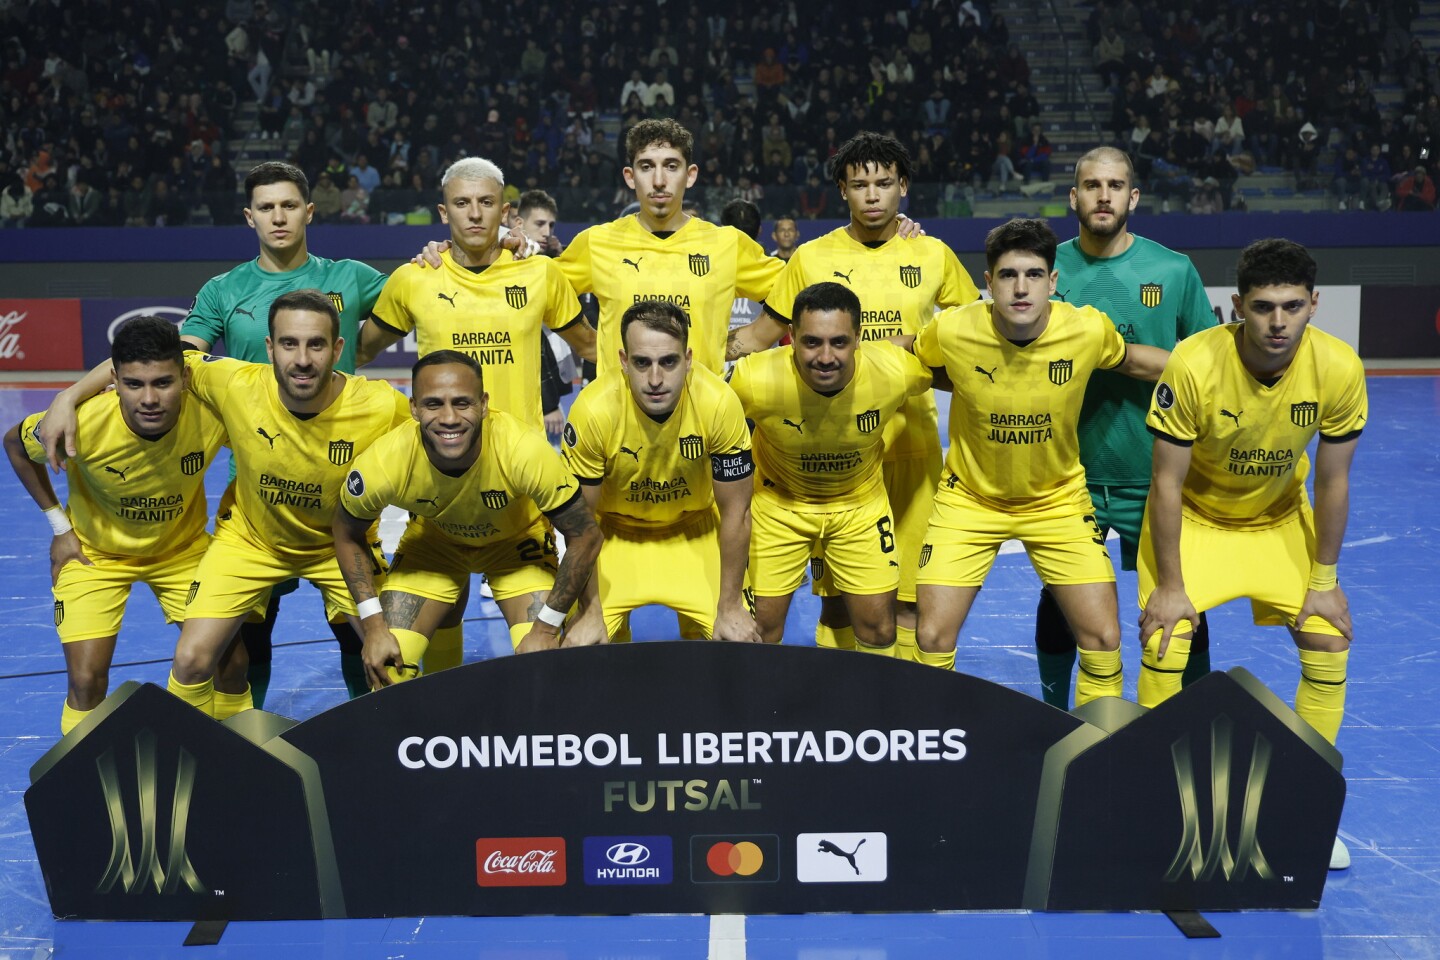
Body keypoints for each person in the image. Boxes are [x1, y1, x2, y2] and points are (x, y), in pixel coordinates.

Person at [38, 160, 390, 707]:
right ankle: (246, 737)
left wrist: (439, 256)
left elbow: (424, 302)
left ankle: (368, 727)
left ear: (309, 211)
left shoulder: (353, 276)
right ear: (249, 217)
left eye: (289, 205)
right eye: (267, 207)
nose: (279, 217)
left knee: (357, 631)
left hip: (341, 476)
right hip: (255, 483)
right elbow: (166, 358)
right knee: (248, 635)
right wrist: (69, 395)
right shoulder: (224, 290)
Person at [1138, 238, 1366, 870]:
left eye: (1292, 306)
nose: (1277, 322)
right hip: (1196, 520)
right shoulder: (1192, 362)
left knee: (1326, 634)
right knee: (1167, 635)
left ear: (1315, 304)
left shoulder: (1339, 368)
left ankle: (1305, 806)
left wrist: (1324, 579)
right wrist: (1170, 585)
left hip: (1276, 519)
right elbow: (1166, 483)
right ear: (1236, 305)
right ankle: (1154, 801)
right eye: (1262, 307)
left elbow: (1332, 481)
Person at [727, 132, 980, 661]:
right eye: (860, 184)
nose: (873, 195)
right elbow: (761, 337)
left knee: (907, 602)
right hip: (824, 448)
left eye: (884, 183)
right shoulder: (810, 257)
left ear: (903, 187)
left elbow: (970, 334)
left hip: (908, 446)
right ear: (842, 189)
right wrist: (691, 352)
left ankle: (899, 717)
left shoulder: (932, 252)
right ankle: (841, 711)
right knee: (838, 601)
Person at [910, 219, 1168, 706]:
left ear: (1053, 281)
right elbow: (913, 362)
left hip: (1057, 501)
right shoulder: (953, 328)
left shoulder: (1087, 328)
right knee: (933, 637)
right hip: (969, 501)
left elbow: (1132, 360)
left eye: (1033, 274)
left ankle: (1097, 747)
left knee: (1103, 638)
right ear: (988, 283)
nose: (1021, 287)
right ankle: (936, 753)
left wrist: (1218, 366)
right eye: (1007, 275)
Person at [1031, 146, 1217, 710]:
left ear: (1133, 197)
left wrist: (1122, 356)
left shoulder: (1172, 269)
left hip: (1154, 470)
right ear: (1074, 196)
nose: (1103, 196)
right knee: (1061, 602)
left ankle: (1190, 716)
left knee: (1182, 599)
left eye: (1115, 186)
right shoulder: (1045, 267)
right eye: (1092, 185)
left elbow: (1208, 364)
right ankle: (1052, 711)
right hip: (1069, 472)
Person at [3, 318, 228, 734]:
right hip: (95, 556)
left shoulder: (212, 414)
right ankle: (84, 787)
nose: (149, 399)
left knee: (231, 661)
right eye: (134, 384)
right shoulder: (83, 421)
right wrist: (59, 526)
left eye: (163, 383)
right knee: (86, 680)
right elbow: (16, 445)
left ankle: (228, 761)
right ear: (114, 380)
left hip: (183, 552)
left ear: (185, 376)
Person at [334, 351, 605, 687]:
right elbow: (345, 533)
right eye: (434, 404)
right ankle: (440, 727)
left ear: (484, 404)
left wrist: (547, 627)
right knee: (386, 668)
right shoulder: (384, 462)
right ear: (414, 407)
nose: (449, 417)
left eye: (462, 403)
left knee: (544, 668)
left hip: (516, 548)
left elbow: (586, 535)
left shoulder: (522, 450)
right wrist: (373, 626)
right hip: (434, 548)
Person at [729, 281, 934, 652]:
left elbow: (955, 368)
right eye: (812, 342)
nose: (825, 357)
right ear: (791, 336)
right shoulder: (753, 379)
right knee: (760, 630)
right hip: (779, 507)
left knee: (878, 630)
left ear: (858, 339)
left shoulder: (893, 371)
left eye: (839, 342)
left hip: (860, 506)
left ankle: (868, 709)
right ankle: (755, 709)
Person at [563, 300, 758, 643]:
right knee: (583, 649)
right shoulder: (593, 411)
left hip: (694, 532)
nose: (655, 379)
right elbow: (581, 524)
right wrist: (590, 610)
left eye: (668, 362)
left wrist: (729, 606)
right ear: (624, 362)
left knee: (739, 643)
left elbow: (737, 514)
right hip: (612, 537)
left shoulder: (719, 402)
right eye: (642, 363)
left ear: (688, 359)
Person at [356, 157, 595, 432]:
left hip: (523, 461)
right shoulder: (414, 278)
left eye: (486, 202)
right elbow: (360, 351)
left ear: (504, 211)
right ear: (444, 213)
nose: (475, 214)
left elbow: (590, 346)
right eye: (461, 203)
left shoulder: (541, 273)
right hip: (443, 457)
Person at [555, 119, 785, 377]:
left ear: (690, 175)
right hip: (619, 413)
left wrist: (747, 339)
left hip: (702, 412)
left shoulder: (727, 244)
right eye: (646, 167)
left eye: (671, 166)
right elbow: (544, 289)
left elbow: (792, 287)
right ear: (630, 177)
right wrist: (588, 343)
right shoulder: (595, 242)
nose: (659, 180)